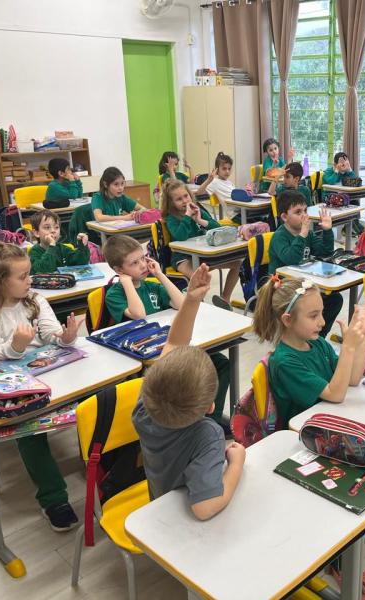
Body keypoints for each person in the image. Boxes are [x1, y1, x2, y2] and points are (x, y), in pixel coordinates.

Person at [252, 275, 365, 599]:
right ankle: (337, 559)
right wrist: (349, 345)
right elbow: (335, 394)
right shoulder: (285, 361)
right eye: (313, 316)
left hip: (330, 433)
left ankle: (338, 556)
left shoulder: (319, 344)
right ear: (287, 320)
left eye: (322, 313)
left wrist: (362, 338)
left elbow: (352, 379)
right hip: (303, 447)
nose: (322, 321)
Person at [0, 243, 81, 530]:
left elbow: (51, 334)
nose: (30, 280)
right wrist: (16, 346)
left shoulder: (35, 299)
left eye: (29, 274)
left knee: (100, 398)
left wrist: (66, 337)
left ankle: (108, 468)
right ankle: (54, 498)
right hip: (12, 384)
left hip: (49, 373)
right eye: (22, 276)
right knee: (29, 428)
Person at [133, 263, 245, 520]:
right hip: (189, 529)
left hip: (158, 505)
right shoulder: (208, 434)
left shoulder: (145, 409)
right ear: (211, 407)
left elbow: (174, 342)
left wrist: (192, 300)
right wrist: (236, 464)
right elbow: (205, 509)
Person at [103, 234, 231, 427]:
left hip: (168, 350)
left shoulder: (151, 286)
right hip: (149, 360)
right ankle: (193, 419)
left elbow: (181, 303)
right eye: (134, 263)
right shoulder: (115, 293)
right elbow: (139, 314)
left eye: (144, 258)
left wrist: (161, 275)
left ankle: (209, 420)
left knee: (221, 363)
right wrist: (127, 282)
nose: (143, 265)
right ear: (119, 270)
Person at [268, 190, 339, 337]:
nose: (304, 215)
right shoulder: (279, 236)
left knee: (335, 299)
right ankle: (302, 334)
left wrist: (327, 230)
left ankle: (319, 336)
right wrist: (302, 235)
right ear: (284, 217)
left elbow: (325, 251)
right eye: (298, 212)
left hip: (302, 281)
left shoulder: (307, 233)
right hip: (283, 286)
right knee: (308, 303)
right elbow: (291, 259)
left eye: (305, 210)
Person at [161, 179, 241, 307]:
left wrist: (200, 220)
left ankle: (225, 299)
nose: (185, 201)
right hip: (182, 258)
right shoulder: (172, 218)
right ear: (171, 203)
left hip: (203, 256)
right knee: (198, 276)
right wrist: (187, 216)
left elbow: (218, 228)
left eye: (186, 196)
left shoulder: (198, 210)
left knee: (238, 264)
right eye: (179, 199)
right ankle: (197, 306)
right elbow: (180, 236)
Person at [28, 209, 90, 275]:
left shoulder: (62, 248)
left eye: (56, 227)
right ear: (37, 233)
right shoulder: (33, 252)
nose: (53, 231)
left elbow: (81, 262)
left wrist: (82, 246)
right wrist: (51, 246)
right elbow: (44, 270)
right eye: (47, 227)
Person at [195, 151, 239, 222]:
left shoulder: (230, 183)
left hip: (241, 210)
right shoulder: (214, 182)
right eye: (224, 169)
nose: (227, 171)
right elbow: (199, 192)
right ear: (217, 170)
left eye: (229, 168)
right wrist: (208, 180)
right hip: (235, 215)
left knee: (261, 219)